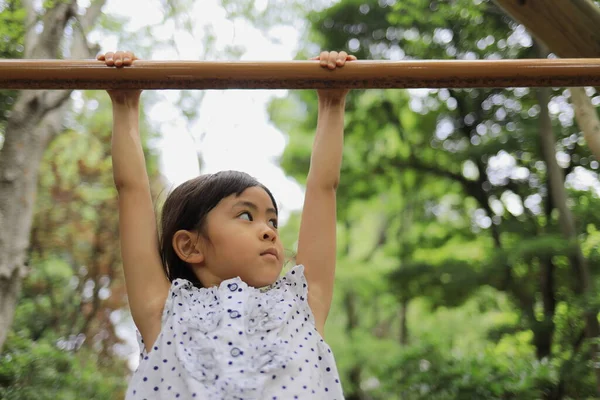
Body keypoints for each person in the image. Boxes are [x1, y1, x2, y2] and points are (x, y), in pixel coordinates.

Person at [98, 49, 356, 399]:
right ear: (191, 246)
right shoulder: (165, 312)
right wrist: (125, 103)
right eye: (246, 215)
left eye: (273, 221)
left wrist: (332, 103)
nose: (269, 230)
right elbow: (131, 190)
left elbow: (323, 188)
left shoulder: (300, 305)